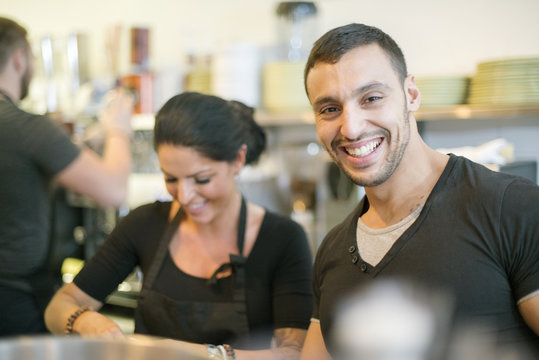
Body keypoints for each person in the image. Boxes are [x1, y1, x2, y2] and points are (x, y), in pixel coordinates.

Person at [299, 23, 539, 360]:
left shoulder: (511, 207)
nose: (351, 127)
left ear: (411, 94)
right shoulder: (333, 250)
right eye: (329, 109)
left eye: (371, 98)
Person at [45, 92, 314, 360]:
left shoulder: (282, 238)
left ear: (238, 160)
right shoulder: (145, 224)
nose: (184, 196)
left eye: (202, 179)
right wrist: (83, 321)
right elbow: (58, 307)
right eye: (171, 178)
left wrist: (200, 355)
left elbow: (294, 354)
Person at [0, 17, 134, 337]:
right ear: (20, 58)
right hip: (16, 300)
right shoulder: (26, 127)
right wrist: (119, 130)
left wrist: (84, 144)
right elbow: (113, 191)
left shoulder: (24, 133)